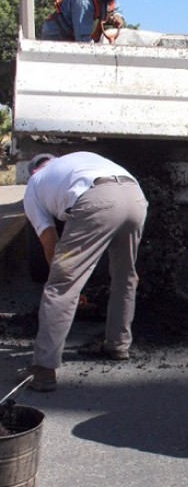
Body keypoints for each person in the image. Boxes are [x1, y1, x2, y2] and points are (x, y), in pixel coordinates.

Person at [18, 152, 148, 392]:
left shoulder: (34, 186)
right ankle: (118, 345)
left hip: (97, 199)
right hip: (135, 196)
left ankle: (44, 370)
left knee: (61, 286)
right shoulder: (76, 162)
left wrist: (71, 286)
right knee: (126, 275)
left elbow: (50, 244)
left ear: (34, 171)